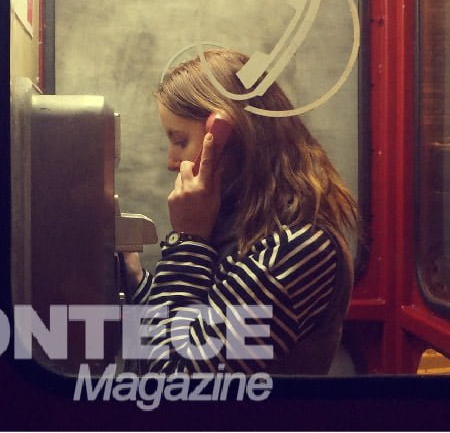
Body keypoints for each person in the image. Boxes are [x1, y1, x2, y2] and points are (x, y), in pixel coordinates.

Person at [123, 48, 358, 375]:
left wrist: (189, 240)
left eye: (180, 141)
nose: (171, 161)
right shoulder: (234, 226)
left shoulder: (298, 250)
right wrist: (135, 279)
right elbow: (187, 323)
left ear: (224, 138)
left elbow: (172, 380)